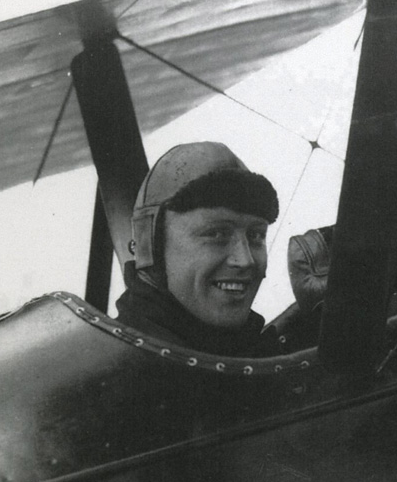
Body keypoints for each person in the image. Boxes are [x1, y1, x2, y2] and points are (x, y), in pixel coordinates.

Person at [115, 141, 283, 357]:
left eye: (256, 235)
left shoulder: (262, 355)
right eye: (217, 234)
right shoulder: (108, 372)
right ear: (151, 246)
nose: (245, 260)